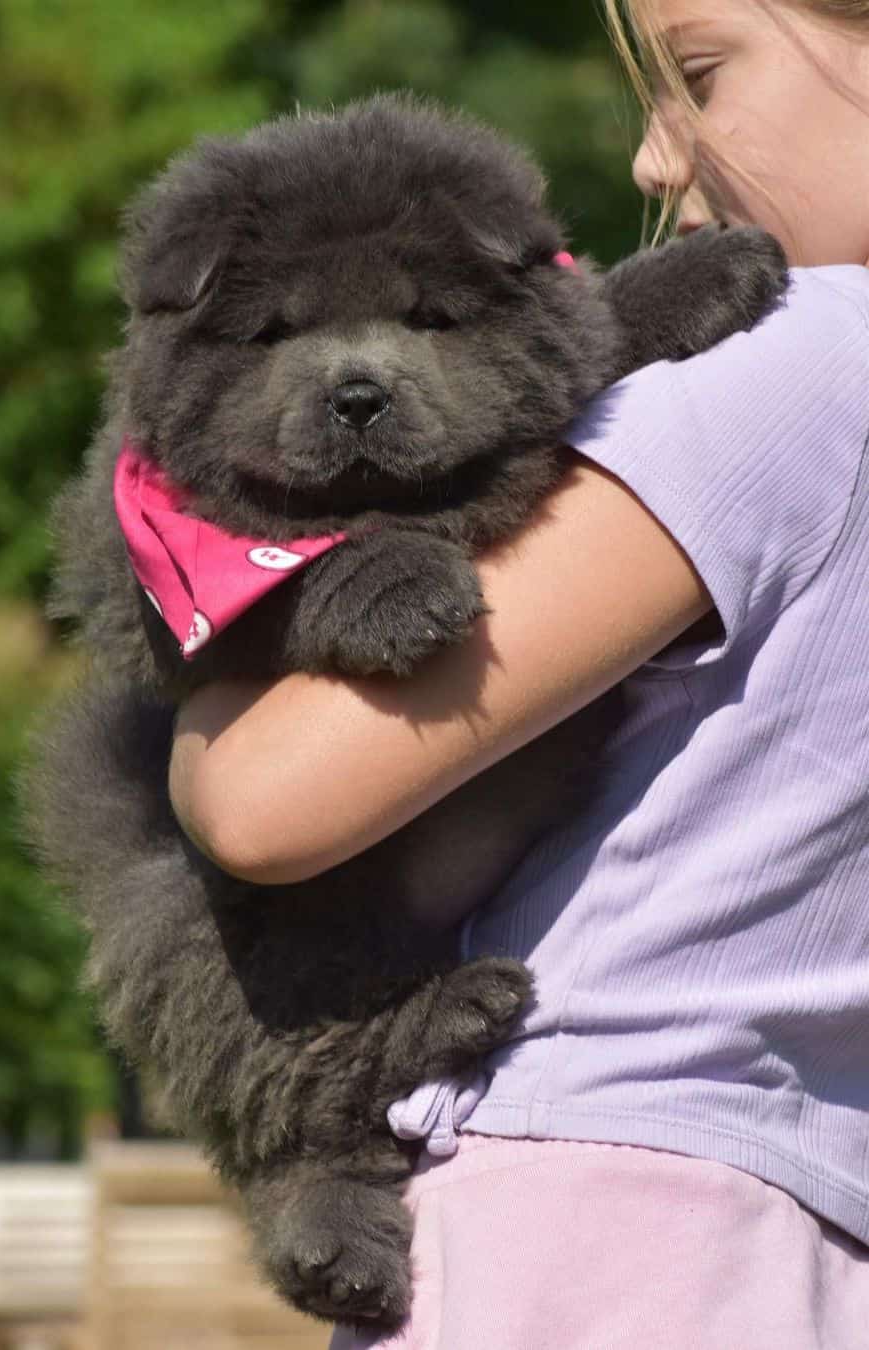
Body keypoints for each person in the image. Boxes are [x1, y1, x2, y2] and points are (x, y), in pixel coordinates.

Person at [167, 1, 869, 1344]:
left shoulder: (798, 364)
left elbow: (269, 804)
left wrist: (202, 685)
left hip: (597, 1212)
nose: (660, 158)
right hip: (808, 1220)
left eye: (700, 76)